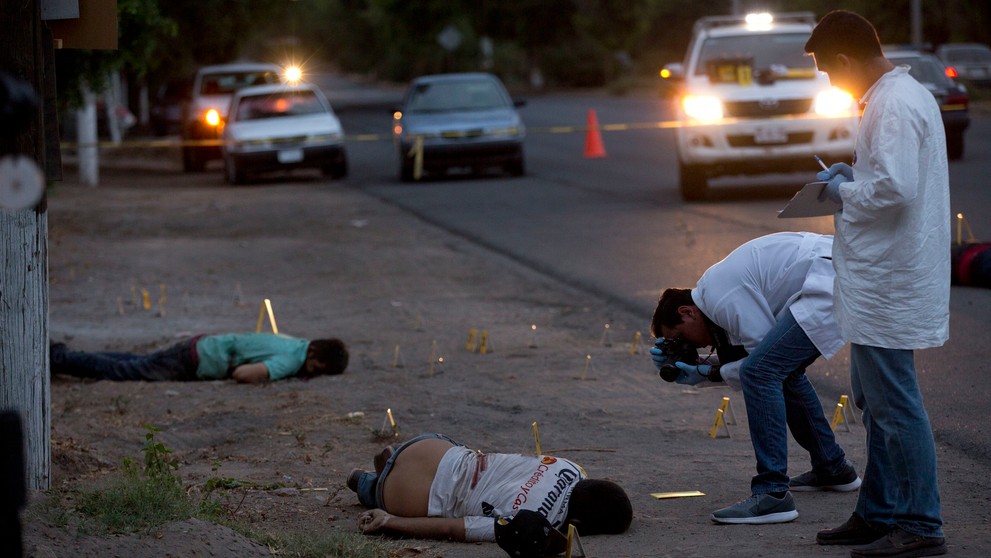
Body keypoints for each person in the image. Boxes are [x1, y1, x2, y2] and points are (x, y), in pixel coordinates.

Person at [804, 10, 949, 558]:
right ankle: (878, 512)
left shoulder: (891, 104)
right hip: (885, 276)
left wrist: (842, 191)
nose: (828, 81)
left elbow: (896, 189)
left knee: (895, 406)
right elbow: (891, 179)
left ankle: (919, 523)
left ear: (844, 60)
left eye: (825, 70)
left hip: (891, 280)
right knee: (874, 400)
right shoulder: (898, 97)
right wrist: (851, 175)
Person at [650, 232, 859, 525]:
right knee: (782, 370)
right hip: (837, 270)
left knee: (765, 372)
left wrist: (706, 372)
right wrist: (698, 367)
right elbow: (755, 354)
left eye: (681, 338)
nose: (691, 347)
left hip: (832, 277)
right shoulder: (714, 295)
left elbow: (758, 363)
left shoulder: (721, 298)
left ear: (687, 312)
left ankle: (772, 494)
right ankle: (832, 467)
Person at [348, 434, 632, 557]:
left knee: (477, 462)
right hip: (410, 493)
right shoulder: (534, 521)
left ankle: (393, 461)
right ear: (579, 521)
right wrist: (389, 521)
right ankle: (372, 485)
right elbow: (452, 528)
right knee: (394, 495)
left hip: (430, 446)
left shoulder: (570, 467)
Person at [50, 333, 349, 383]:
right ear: (318, 363)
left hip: (202, 346)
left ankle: (65, 355)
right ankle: (60, 358)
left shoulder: (293, 342)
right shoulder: (290, 361)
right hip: (197, 358)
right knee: (124, 371)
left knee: (132, 362)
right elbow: (242, 375)